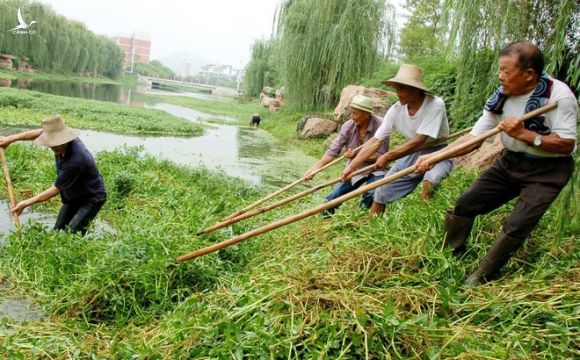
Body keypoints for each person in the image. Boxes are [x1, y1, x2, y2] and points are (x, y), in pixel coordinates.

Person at [415, 41, 577, 285]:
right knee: (466, 203)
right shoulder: (500, 98)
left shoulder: (558, 96)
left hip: (548, 171)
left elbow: (567, 144)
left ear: (529, 74)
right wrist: (435, 156)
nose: (500, 77)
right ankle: (449, 254)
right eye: (499, 70)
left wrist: (524, 134)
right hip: (511, 162)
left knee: (517, 224)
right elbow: (473, 140)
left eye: (506, 71)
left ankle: (480, 277)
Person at [341, 64, 453, 216]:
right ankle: (372, 224)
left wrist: (388, 155)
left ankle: (421, 219)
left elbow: (420, 140)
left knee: (430, 180)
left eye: (402, 89)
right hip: (411, 153)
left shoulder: (435, 105)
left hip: (438, 149)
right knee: (382, 188)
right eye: (396, 89)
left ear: (415, 89)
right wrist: (352, 167)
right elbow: (375, 141)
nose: (397, 93)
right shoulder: (395, 110)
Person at [0, 115, 107, 235]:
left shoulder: (77, 159)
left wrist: (25, 203)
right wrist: (10, 139)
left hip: (91, 197)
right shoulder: (56, 139)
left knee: (72, 234)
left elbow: (55, 190)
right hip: (73, 193)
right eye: (51, 142)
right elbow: (37, 133)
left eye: (57, 143)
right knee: (58, 231)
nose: (53, 146)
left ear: (65, 139)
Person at [304, 95, 389, 216]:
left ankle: (361, 219)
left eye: (355, 113)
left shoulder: (381, 125)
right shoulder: (348, 126)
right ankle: (323, 219)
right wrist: (315, 169)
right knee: (333, 198)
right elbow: (333, 151)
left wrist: (356, 155)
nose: (352, 117)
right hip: (354, 169)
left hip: (376, 168)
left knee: (372, 193)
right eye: (351, 113)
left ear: (366, 114)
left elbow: (381, 156)